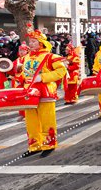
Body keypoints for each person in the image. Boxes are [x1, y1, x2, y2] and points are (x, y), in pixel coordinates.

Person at [20, 26, 67, 157]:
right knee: (31, 121)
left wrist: (43, 77)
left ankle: (49, 145)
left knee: (47, 120)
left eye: (34, 41)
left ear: (41, 43)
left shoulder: (50, 57)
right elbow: (22, 73)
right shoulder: (26, 57)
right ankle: (34, 146)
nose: (31, 44)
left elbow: (61, 71)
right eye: (30, 41)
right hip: (29, 92)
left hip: (45, 91)